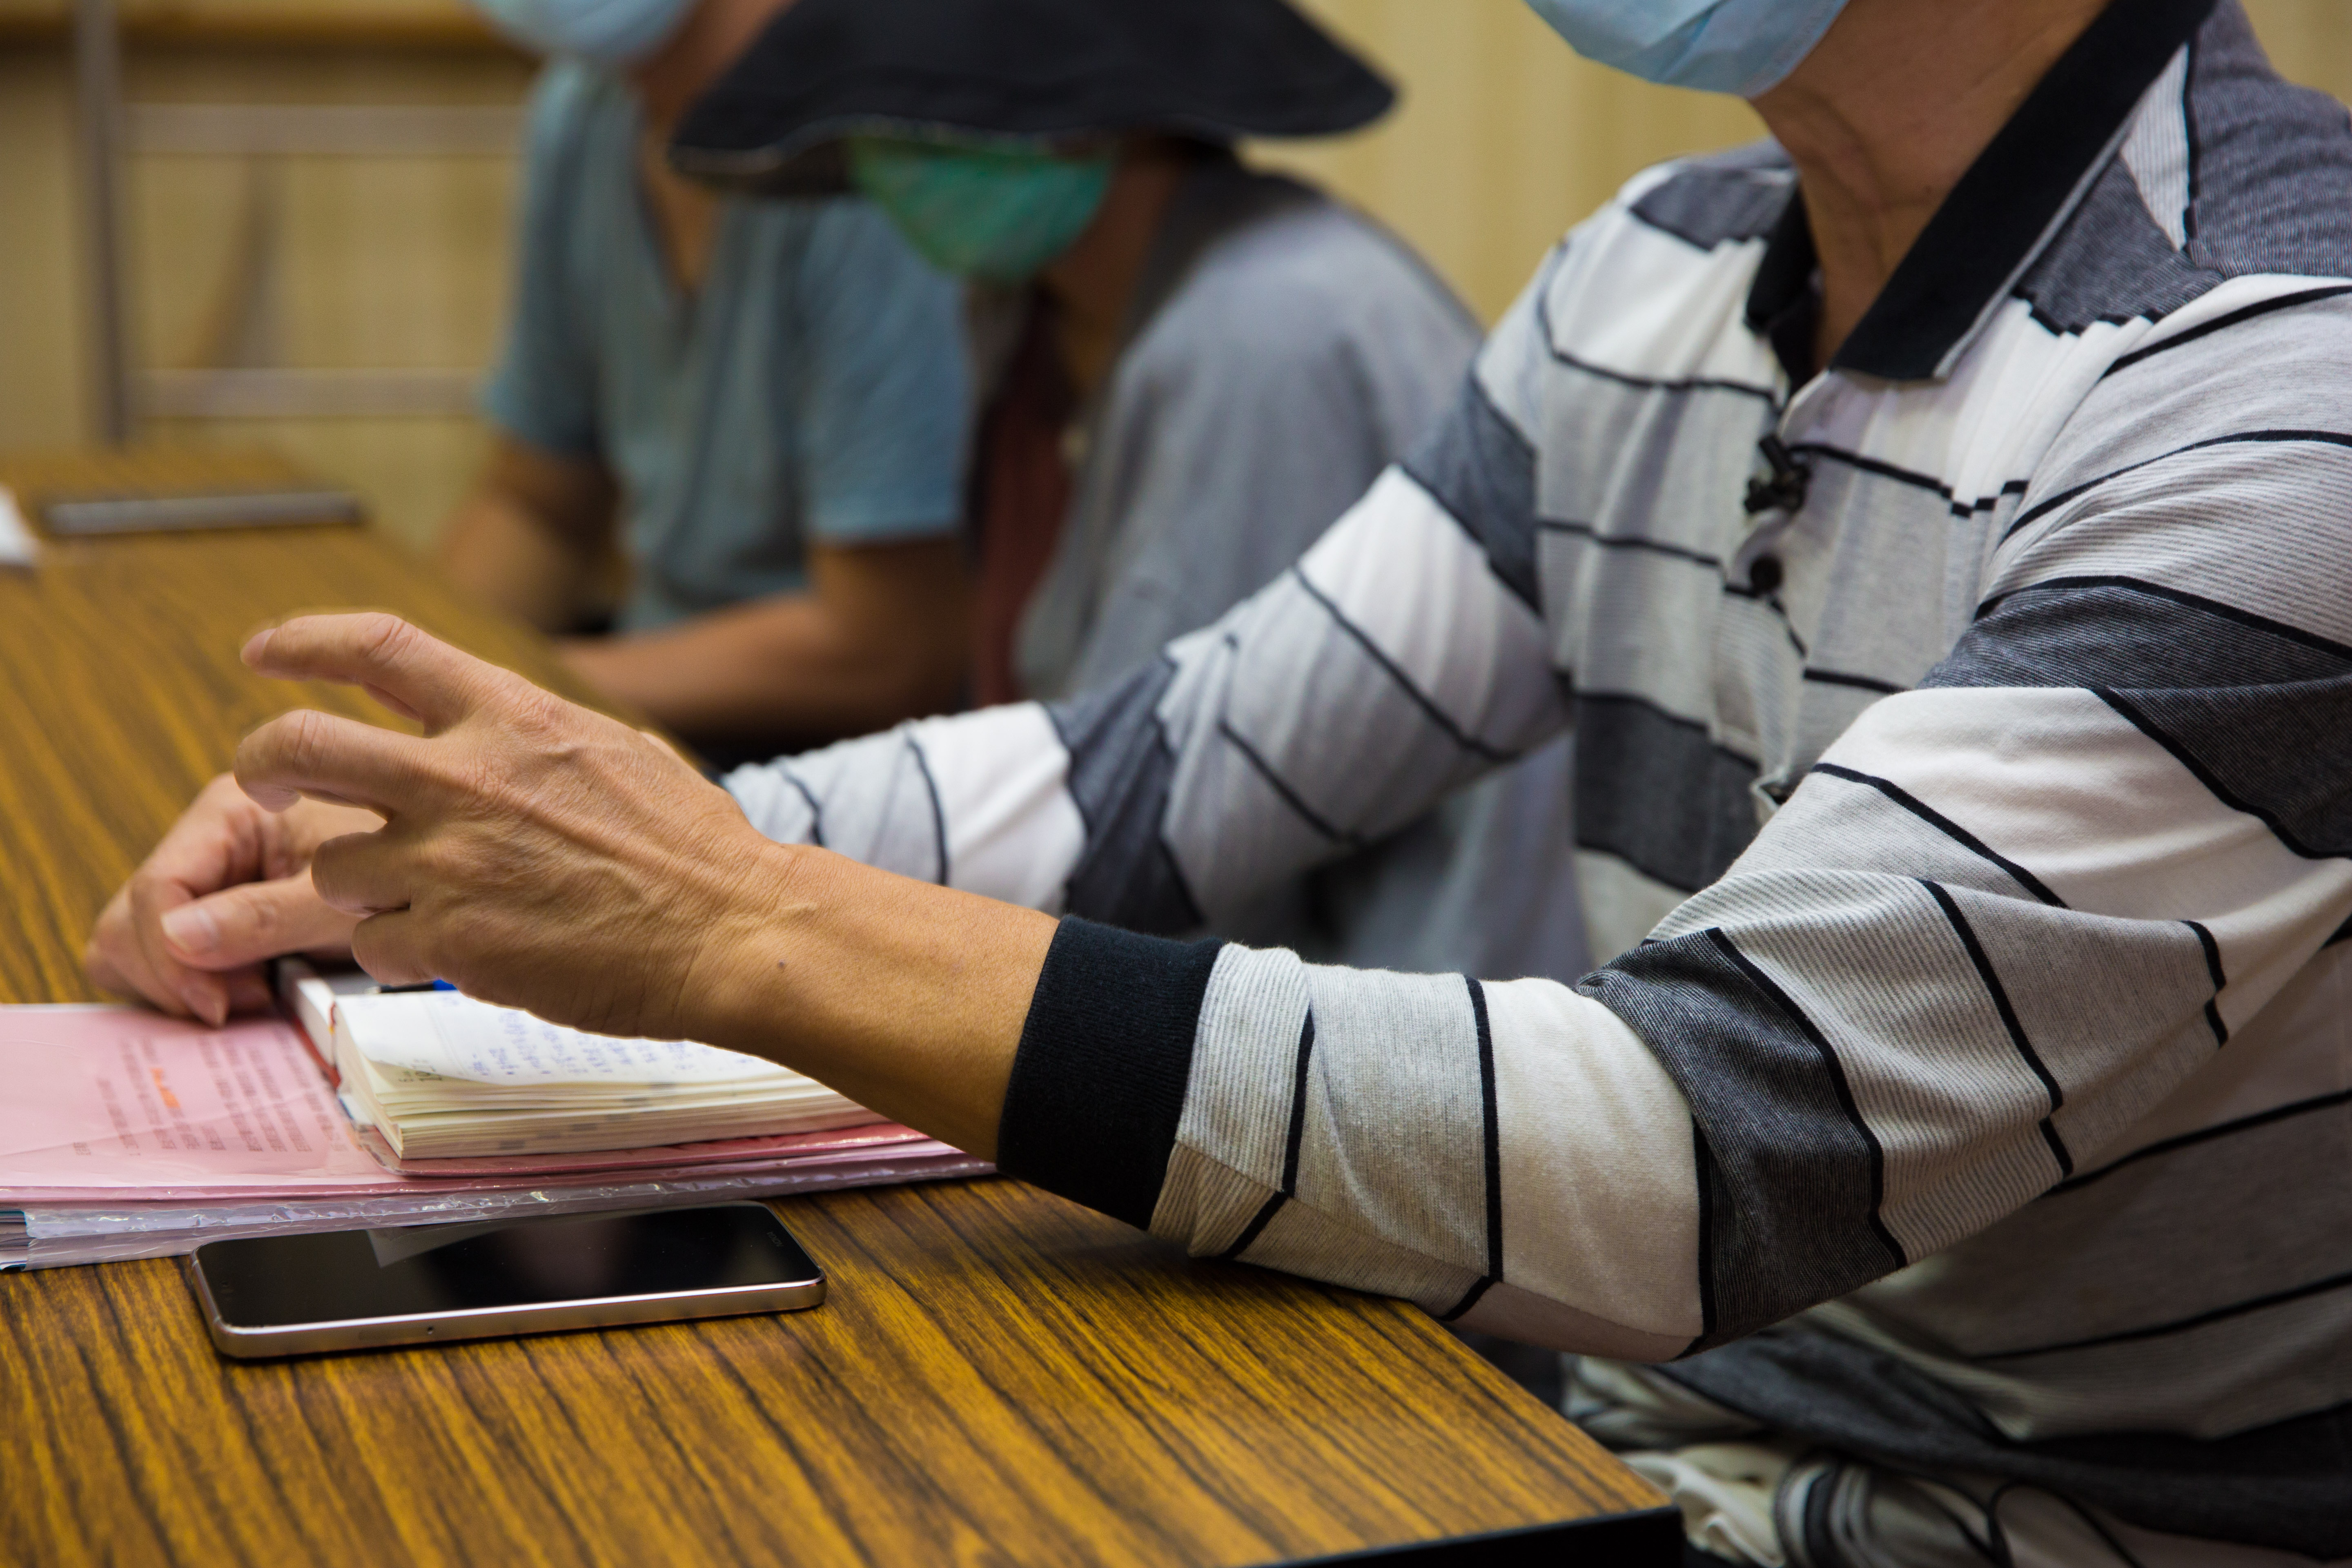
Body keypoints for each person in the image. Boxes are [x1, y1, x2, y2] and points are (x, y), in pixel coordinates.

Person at [87, 0, 2352, 1562]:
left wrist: (724, 918)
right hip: (1636, 1448)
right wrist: (461, 855)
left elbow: (1697, 1157)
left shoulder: (2283, 379)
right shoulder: (1649, 281)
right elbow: (1161, 776)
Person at [673, 0, 1589, 977]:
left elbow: (1188, 838)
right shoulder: (1029, 314)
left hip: (1392, 1010)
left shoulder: (1263, 330)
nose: (888, 165)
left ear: (1091, 122)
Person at [447, 0, 973, 755]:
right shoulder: (584, 116)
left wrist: (524, 689)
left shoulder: (869, 149)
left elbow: (888, 652)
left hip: (841, 781)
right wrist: (405, 672)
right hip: (638, 722)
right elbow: (538, 502)